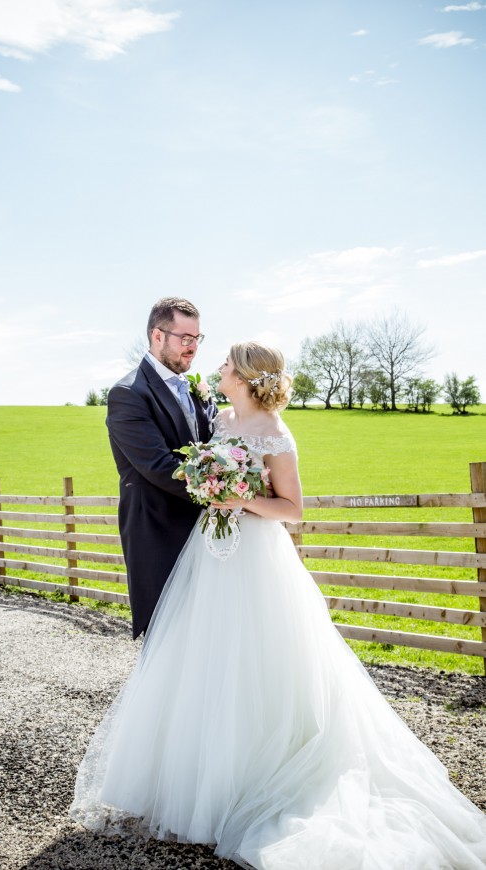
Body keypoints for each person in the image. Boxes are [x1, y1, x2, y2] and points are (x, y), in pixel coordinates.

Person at [71, 341, 486, 869]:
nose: (215, 367)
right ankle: (198, 782)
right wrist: (210, 487)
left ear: (244, 376)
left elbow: (292, 509)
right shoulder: (218, 419)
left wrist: (238, 498)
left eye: (224, 363)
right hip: (211, 553)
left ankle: (258, 779)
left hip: (258, 559)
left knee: (259, 659)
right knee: (203, 657)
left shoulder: (275, 432)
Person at [106, 297, 216, 639]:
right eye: (185, 338)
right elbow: (158, 465)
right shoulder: (128, 394)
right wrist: (221, 494)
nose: (193, 347)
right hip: (159, 532)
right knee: (169, 637)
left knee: (208, 633)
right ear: (157, 335)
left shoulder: (195, 389)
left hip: (206, 532)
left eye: (197, 338)